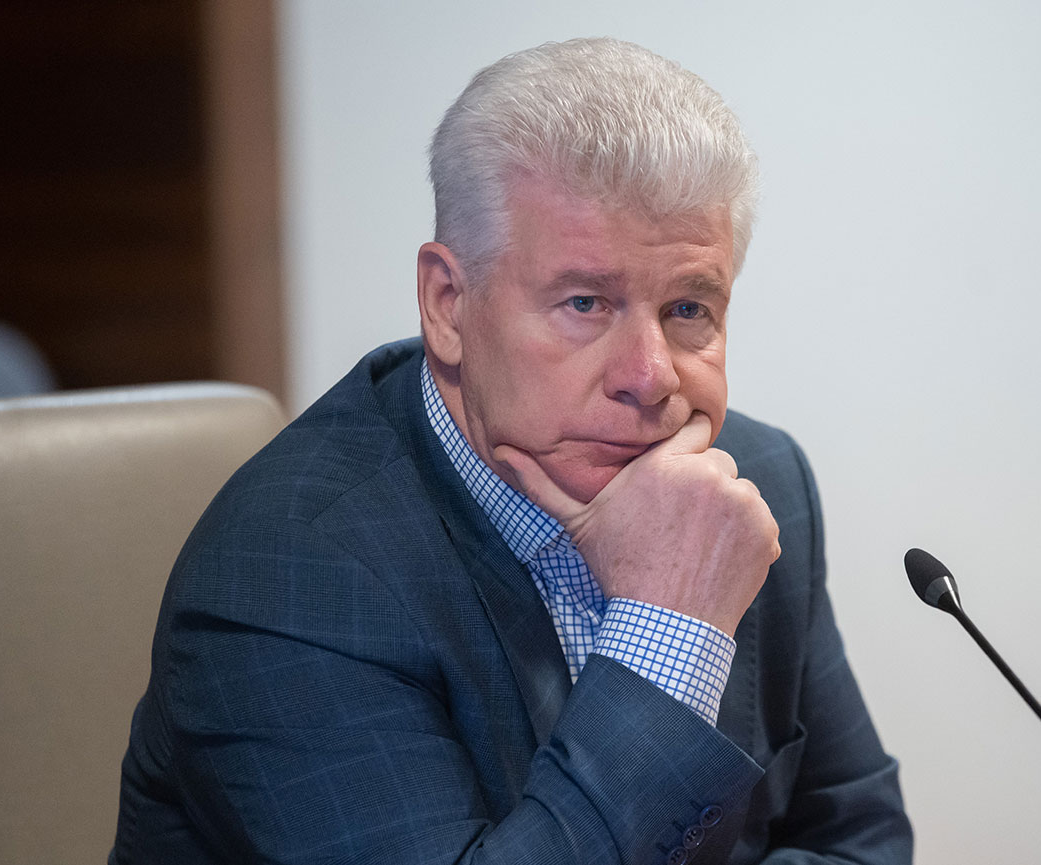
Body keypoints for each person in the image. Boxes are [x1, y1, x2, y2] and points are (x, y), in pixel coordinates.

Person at [111, 37, 913, 864]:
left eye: (687, 309)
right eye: (585, 302)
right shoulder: (290, 574)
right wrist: (670, 629)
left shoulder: (749, 491)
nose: (650, 377)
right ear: (448, 304)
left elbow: (862, 837)